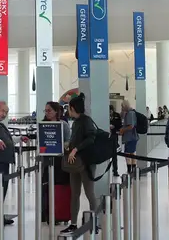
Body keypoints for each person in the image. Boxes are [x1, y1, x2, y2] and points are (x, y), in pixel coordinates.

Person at [60, 93, 98, 235]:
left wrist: (75, 149)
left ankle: (95, 221)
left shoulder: (86, 121)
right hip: (74, 163)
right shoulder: (75, 122)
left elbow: (91, 138)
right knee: (74, 193)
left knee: (89, 193)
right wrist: (69, 146)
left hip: (86, 162)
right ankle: (73, 223)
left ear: (72, 107)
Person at [120, 100, 139, 174]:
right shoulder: (129, 113)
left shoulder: (130, 113)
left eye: (122, 106)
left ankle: (129, 169)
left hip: (130, 137)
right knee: (132, 153)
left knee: (127, 153)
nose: (121, 108)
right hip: (132, 137)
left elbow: (131, 126)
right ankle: (132, 169)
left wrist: (123, 129)